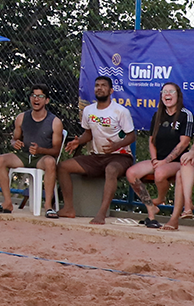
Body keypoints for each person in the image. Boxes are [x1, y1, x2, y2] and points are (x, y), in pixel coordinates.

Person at [55, 74, 135, 224]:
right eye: (97, 85)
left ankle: (101, 214)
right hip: (96, 156)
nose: (100, 88)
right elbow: (88, 134)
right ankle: (69, 208)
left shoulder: (120, 111)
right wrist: (77, 142)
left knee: (111, 170)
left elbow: (131, 137)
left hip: (120, 156)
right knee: (63, 167)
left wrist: (116, 146)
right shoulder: (88, 110)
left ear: (111, 90)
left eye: (103, 85)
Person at [0, 86, 63, 214]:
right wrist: (15, 143)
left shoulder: (55, 122)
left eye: (40, 96)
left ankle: (48, 206)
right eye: (34, 96)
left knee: (50, 162)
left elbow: (56, 150)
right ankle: (7, 203)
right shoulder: (21, 117)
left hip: (42, 158)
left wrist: (40, 150)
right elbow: (14, 139)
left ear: (46, 100)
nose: (36, 99)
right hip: (23, 156)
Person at [126, 81, 190, 228]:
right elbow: (151, 141)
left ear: (178, 96)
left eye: (171, 91)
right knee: (131, 173)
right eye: (164, 92)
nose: (167, 94)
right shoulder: (157, 115)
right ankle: (151, 208)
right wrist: (155, 159)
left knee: (160, 173)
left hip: (178, 162)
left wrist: (164, 162)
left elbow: (184, 143)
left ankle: (161, 198)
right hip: (158, 159)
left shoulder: (185, 115)